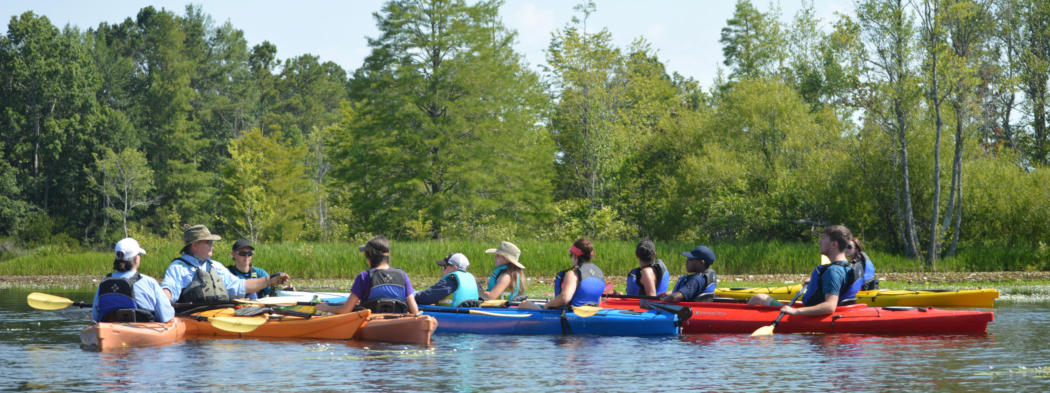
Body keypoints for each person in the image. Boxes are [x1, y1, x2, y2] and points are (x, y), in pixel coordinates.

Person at [161, 225, 289, 304]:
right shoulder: (178, 268)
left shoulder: (215, 266)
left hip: (219, 316)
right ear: (194, 245)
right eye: (208, 241)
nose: (212, 244)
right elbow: (168, 292)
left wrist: (269, 281)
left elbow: (240, 286)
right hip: (193, 318)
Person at [748, 225, 858, 316]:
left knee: (758, 298)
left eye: (824, 238)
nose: (820, 241)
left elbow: (830, 306)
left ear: (834, 244)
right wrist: (819, 282)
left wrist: (796, 311)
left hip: (812, 317)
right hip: (817, 312)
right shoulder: (845, 267)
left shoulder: (833, 271)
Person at [316, 236, 419, 315]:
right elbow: (414, 311)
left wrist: (326, 307)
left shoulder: (364, 276)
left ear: (369, 256)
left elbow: (346, 310)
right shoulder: (402, 275)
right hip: (399, 322)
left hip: (371, 321)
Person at [92, 238, 175, 323]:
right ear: (136, 259)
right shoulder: (149, 282)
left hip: (108, 329)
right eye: (139, 255)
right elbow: (165, 317)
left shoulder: (104, 282)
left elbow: (95, 316)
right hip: (143, 330)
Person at [545, 238, 605, 309]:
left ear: (575, 256)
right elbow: (598, 299)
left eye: (571, 255)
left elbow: (564, 298)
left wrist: (547, 305)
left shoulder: (572, 274)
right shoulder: (598, 273)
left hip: (574, 314)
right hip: (594, 312)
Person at [414, 253, 480, 307]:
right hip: (468, 314)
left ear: (454, 268)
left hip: (453, 317)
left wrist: (411, 296)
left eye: (444, 267)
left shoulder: (451, 281)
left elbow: (426, 297)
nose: (442, 270)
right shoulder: (472, 279)